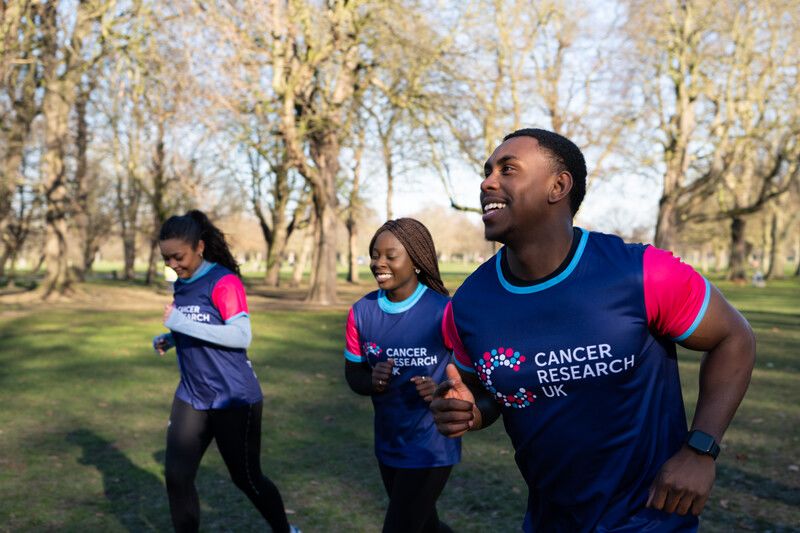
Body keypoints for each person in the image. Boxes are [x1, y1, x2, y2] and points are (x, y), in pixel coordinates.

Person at [430, 129, 756, 532]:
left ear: (558, 186)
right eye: (487, 171)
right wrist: (471, 410)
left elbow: (734, 337)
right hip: (550, 520)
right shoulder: (468, 305)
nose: (487, 182)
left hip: (650, 520)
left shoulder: (640, 273)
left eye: (507, 169)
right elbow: (489, 392)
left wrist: (701, 449)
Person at [151, 210, 299, 533]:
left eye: (178, 257)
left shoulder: (224, 282)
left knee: (246, 478)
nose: (173, 265)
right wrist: (173, 338)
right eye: (166, 259)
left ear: (199, 247)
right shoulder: (182, 284)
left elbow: (240, 335)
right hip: (192, 395)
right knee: (177, 477)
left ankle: (285, 530)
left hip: (233, 397)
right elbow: (200, 324)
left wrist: (180, 323)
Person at [344, 218, 459, 533]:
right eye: (374, 254)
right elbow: (353, 374)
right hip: (388, 440)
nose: (378, 263)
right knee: (425, 527)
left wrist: (442, 389)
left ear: (416, 261)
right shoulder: (361, 312)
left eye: (390, 256)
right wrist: (372, 381)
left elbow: (468, 371)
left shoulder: (444, 311)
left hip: (432, 442)